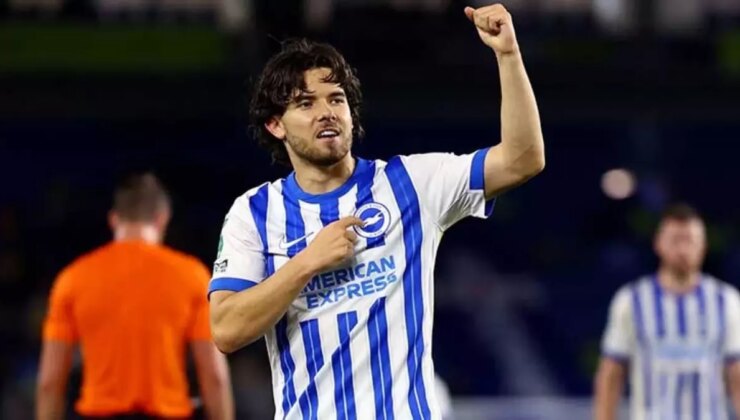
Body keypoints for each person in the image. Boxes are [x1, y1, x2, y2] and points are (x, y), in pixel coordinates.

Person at [209, 3, 545, 419]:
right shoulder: (253, 213)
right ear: (275, 125)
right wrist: (307, 263)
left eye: (336, 99)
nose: (326, 112)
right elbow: (226, 330)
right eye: (306, 103)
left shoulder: (411, 184)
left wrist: (508, 55)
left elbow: (523, 159)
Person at [37, 173, 234, 420]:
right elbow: (214, 377)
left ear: (113, 219)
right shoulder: (192, 276)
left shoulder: (72, 279)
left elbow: (50, 382)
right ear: (162, 218)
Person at [594, 204, 740, 420]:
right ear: (658, 243)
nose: (682, 249)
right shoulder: (631, 301)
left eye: (690, 240)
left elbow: (737, 373)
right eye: (675, 240)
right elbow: (611, 373)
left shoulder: (726, 301)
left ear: (703, 246)